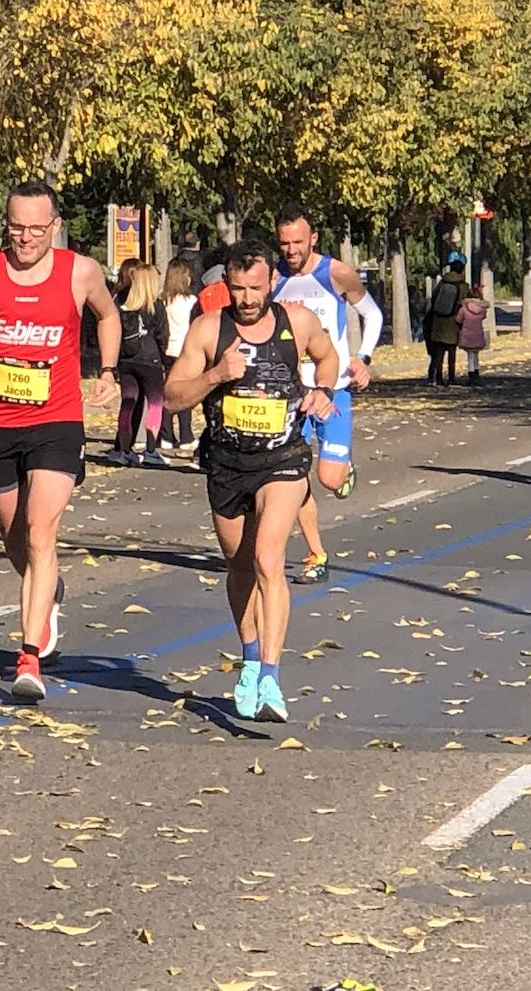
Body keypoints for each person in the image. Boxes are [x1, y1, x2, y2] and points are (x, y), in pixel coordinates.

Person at [0, 180, 121, 702]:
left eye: (35, 228)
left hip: (58, 419)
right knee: (16, 541)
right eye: (16, 227)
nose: (25, 238)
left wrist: (108, 370)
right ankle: (49, 590)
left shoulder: (80, 271)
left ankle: (28, 659)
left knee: (41, 530)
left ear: (54, 226)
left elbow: (108, 316)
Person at [164, 239, 339, 722]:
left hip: (282, 458)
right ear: (227, 286)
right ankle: (248, 658)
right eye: (238, 288)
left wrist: (322, 391)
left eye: (256, 288)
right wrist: (217, 374)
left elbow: (328, 358)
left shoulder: (295, 322)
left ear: (271, 283)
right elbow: (173, 397)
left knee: (268, 557)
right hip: (226, 462)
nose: (246, 298)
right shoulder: (208, 330)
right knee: (240, 566)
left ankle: (270, 676)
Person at [272, 203, 383, 586]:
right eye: (284, 243)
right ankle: (316, 554)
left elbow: (374, 315)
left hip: (333, 391)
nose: (290, 251)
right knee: (293, 475)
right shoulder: (271, 279)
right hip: (292, 395)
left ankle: (344, 469)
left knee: (330, 479)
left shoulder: (336, 273)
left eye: (298, 242)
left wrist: (362, 358)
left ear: (313, 238)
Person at [107, 264, 168, 466]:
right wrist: (164, 360)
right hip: (150, 360)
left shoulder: (122, 304)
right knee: (155, 405)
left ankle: (124, 449)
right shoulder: (155, 305)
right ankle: (150, 449)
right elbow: (162, 336)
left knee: (127, 403)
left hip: (126, 359)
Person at [159, 257, 198, 450]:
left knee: (167, 392)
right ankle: (186, 435)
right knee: (185, 394)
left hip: (168, 349)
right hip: (185, 350)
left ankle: (166, 435)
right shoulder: (191, 301)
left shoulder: (163, 301)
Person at [427, 260, 466, 387]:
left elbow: (433, 298)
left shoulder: (442, 282)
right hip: (452, 322)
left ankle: (437, 377)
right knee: (451, 352)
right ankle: (451, 378)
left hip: (438, 322)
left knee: (439, 352)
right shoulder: (463, 286)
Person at [456, 287, 488, 386]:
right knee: (476, 355)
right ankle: (477, 374)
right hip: (478, 334)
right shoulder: (482, 309)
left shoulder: (463, 309)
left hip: (467, 334)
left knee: (470, 356)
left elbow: (458, 320)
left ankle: (471, 376)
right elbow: (483, 317)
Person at [176, 230, 204, 295]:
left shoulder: (178, 258)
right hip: (194, 294)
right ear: (196, 243)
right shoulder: (197, 259)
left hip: (179, 292)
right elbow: (198, 279)